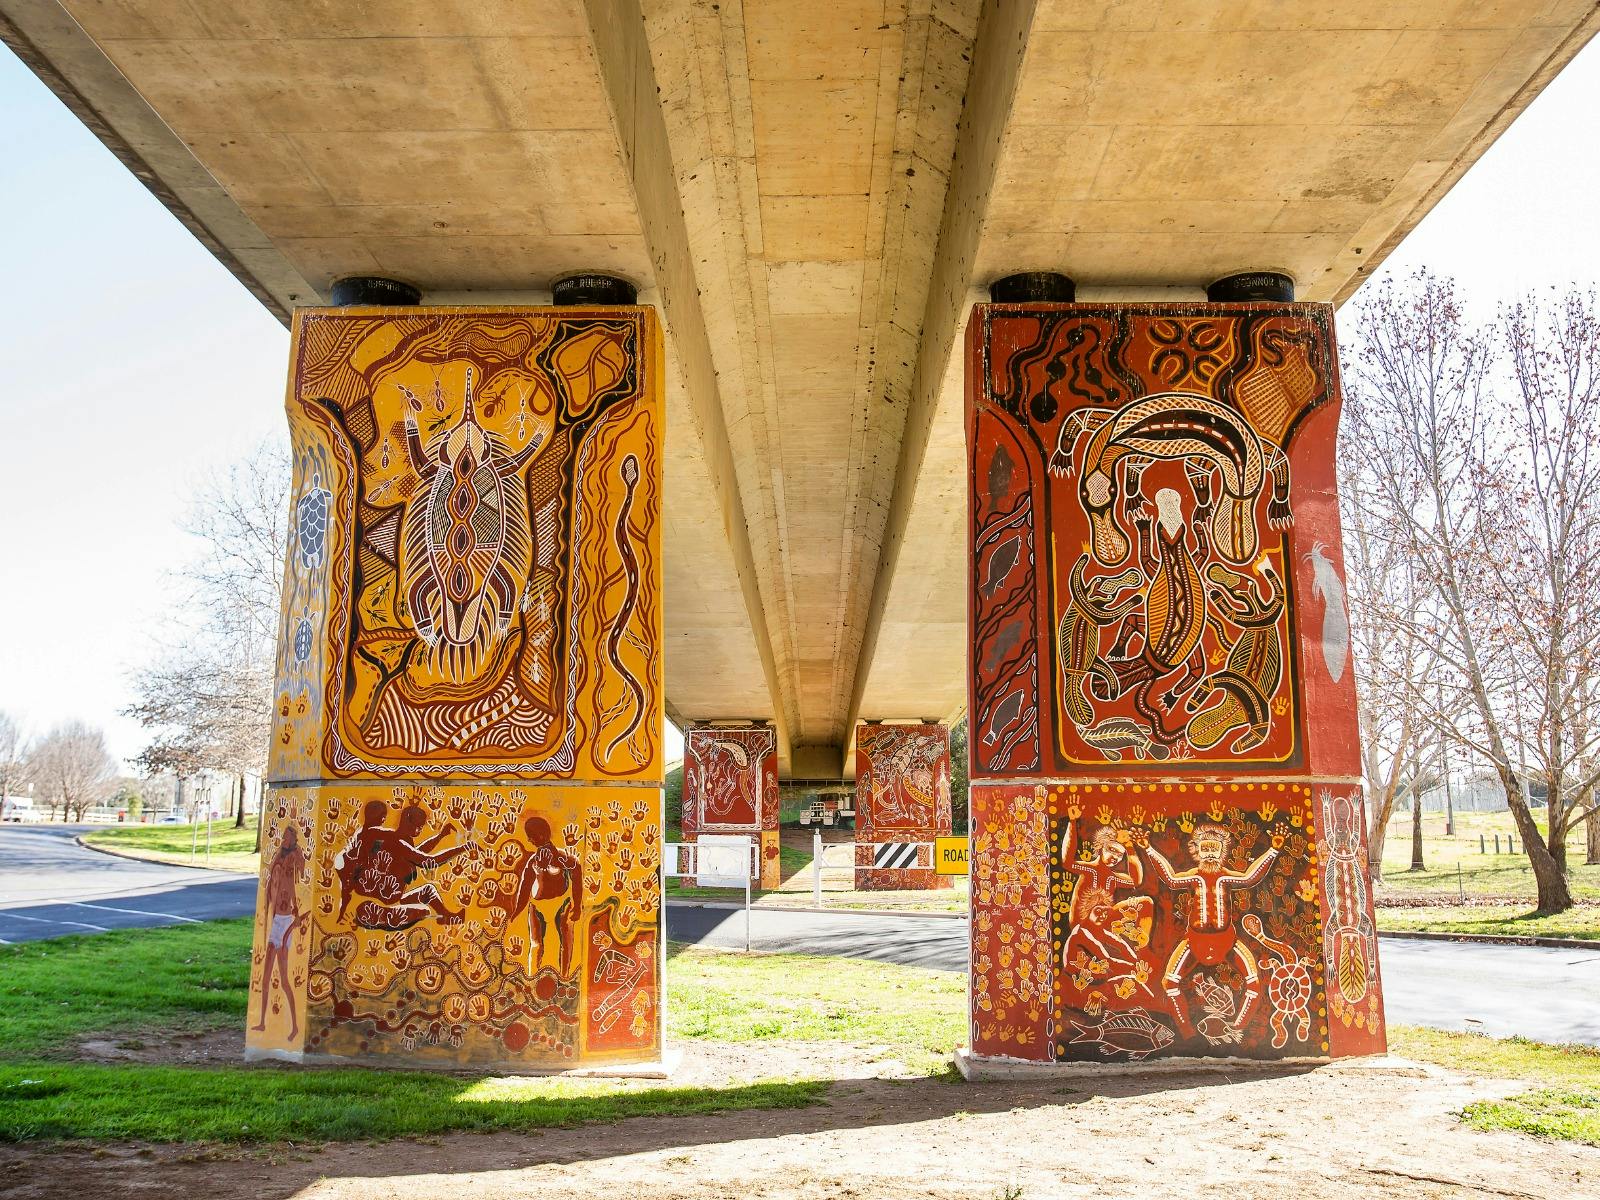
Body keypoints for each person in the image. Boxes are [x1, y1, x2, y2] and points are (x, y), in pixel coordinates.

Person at [1143, 822, 1283, 1040]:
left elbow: (1249, 877)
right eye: (1205, 849)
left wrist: (1273, 850)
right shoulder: (1194, 876)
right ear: (1197, 851)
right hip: (1195, 941)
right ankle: (1187, 1034)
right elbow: (1170, 879)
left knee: (1253, 982)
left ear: (1221, 852)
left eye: (1214, 849)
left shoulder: (1225, 876)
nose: (1209, 854)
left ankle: (1237, 1028)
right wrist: (1149, 849)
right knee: (1170, 982)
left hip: (1226, 941)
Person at [334, 800, 469, 929]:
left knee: (428, 891)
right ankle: (379, 918)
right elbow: (428, 861)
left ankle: (445, 917)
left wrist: (440, 836)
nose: (420, 831)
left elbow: (415, 854)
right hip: (372, 907)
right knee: (424, 911)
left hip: (389, 902)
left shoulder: (390, 839)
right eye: (419, 827)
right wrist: (462, 848)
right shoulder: (395, 842)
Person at [490, 816, 582, 976]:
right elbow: (525, 886)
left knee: (562, 943)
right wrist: (516, 911)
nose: (528, 839)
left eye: (530, 836)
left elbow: (576, 871)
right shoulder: (537, 860)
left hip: (560, 903)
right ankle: (534, 975)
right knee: (537, 944)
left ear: (538, 837)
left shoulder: (559, 857)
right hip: (538, 904)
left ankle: (564, 975)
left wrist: (577, 905)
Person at [252, 824, 309, 1040]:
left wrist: (300, 855)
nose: (284, 839)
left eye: (287, 836)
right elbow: (270, 882)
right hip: (276, 918)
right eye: (284, 836)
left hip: (286, 920)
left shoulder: (295, 854)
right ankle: (261, 1022)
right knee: (266, 978)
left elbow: (301, 878)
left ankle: (294, 1026)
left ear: (293, 839)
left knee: (284, 980)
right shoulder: (280, 854)